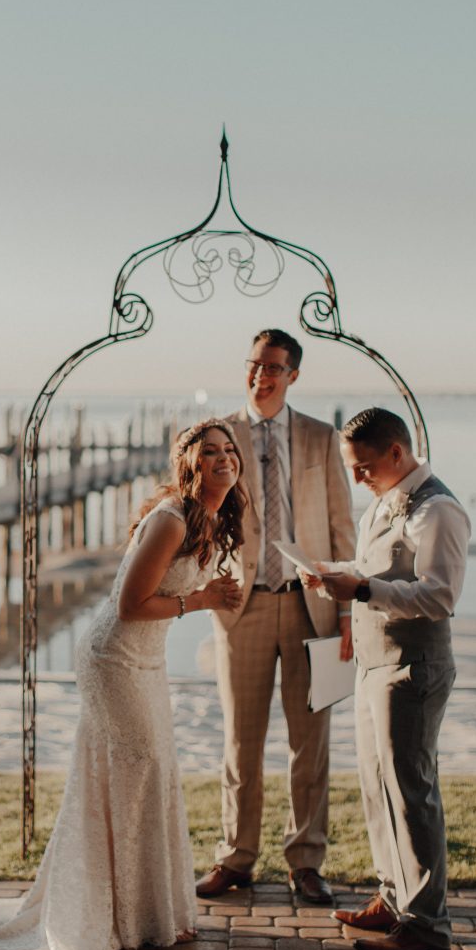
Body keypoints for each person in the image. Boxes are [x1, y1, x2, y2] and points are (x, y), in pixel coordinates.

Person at [0, 418, 245, 950]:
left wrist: (213, 596)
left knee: (152, 771)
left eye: (228, 450)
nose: (223, 459)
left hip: (148, 660)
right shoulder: (170, 520)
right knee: (137, 768)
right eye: (210, 452)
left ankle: (150, 912)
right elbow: (127, 606)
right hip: (113, 658)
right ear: (188, 465)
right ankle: (120, 915)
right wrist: (202, 601)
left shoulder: (211, 519)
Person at [301, 407, 470, 950]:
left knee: (412, 793)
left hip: (413, 667)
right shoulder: (383, 498)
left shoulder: (439, 510)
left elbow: (439, 596)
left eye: (364, 467)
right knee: (378, 787)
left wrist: (362, 591)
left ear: (397, 453)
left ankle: (426, 926)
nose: (357, 478)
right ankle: (394, 898)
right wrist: (334, 572)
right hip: (375, 663)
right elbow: (374, 566)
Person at [196, 329, 356, 904]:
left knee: (311, 742)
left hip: (313, 609)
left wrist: (347, 615)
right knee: (241, 740)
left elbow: (342, 529)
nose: (261, 375)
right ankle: (235, 859)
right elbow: (198, 516)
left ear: (293, 375)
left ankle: (306, 861)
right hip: (243, 608)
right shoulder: (220, 437)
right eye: (255, 364)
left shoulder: (320, 438)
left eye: (273, 367)